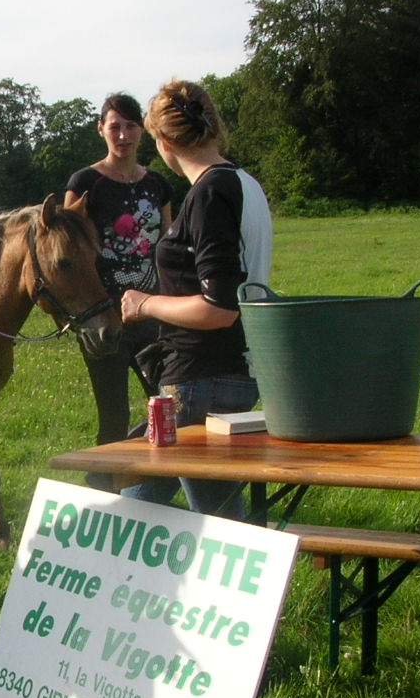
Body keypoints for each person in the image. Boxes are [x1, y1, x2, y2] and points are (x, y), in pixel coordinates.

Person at [118, 79, 273, 519]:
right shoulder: (244, 183)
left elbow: (219, 308)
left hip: (201, 377)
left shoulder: (208, 194)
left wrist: (144, 304)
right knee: (139, 496)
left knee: (219, 518)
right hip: (234, 369)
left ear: (164, 141)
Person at [65, 93, 175, 447]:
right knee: (114, 415)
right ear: (101, 130)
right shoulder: (84, 183)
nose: (123, 135)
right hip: (104, 315)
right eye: (115, 127)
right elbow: (67, 251)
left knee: (168, 406)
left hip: (153, 312)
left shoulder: (158, 185)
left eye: (131, 126)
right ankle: (106, 489)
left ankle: (152, 486)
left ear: (142, 130)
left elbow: (167, 247)